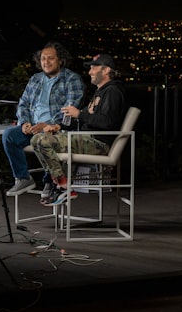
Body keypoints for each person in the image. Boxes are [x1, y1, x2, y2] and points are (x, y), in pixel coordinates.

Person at [31, 53, 127, 206]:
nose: (90, 72)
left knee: (43, 141)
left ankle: (63, 185)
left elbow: (108, 122)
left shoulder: (113, 92)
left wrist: (79, 114)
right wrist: (58, 126)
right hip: (86, 138)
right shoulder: (100, 91)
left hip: (98, 143)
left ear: (106, 70)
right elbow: (85, 117)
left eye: (94, 68)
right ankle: (59, 184)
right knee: (36, 139)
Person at [3, 41, 85, 198]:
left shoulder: (72, 79)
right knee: (9, 135)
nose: (46, 62)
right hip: (33, 128)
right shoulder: (35, 79)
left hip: (55, 130)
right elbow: (23, 104)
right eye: (43, 59)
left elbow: (70, 110)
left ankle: (50, 181)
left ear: (60, 60)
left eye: (50, 58)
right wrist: (25, 123)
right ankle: (23, 178)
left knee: (44, 139)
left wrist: (47, 125)